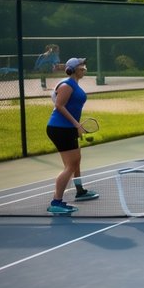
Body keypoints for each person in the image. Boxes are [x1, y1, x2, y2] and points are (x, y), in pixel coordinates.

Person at [45, 57, 99, 214]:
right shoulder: (66, 85)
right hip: (60, 128)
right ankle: (56, 202)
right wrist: (76, 125)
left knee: (76, 162)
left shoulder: (74, 84)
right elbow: (59, 106)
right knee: (70, 165)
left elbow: (72, 107)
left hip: (67, 128)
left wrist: (75, 127)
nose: (84, 67)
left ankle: (80, 190)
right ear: (74, 68)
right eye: (81, 65)